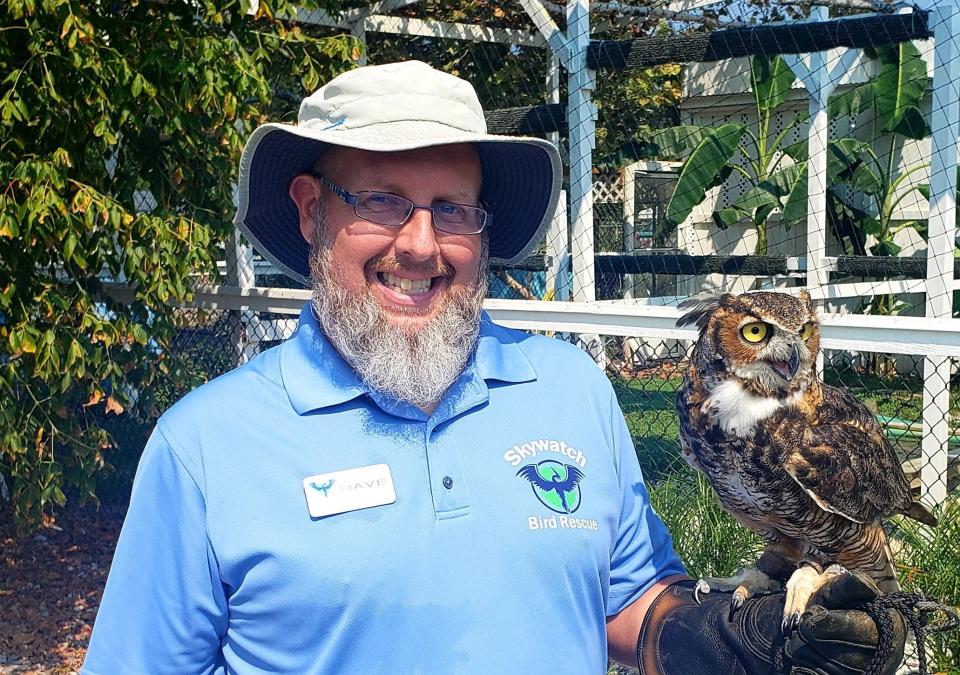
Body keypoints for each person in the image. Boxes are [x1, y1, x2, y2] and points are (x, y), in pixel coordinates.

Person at [83, 60, 905, 674]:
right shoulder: (206, 445)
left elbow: (628, 602)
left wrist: (729, 638)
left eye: (451, 209)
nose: (419, 242)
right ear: (309, 209)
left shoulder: (570, 387)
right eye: (380, 199)